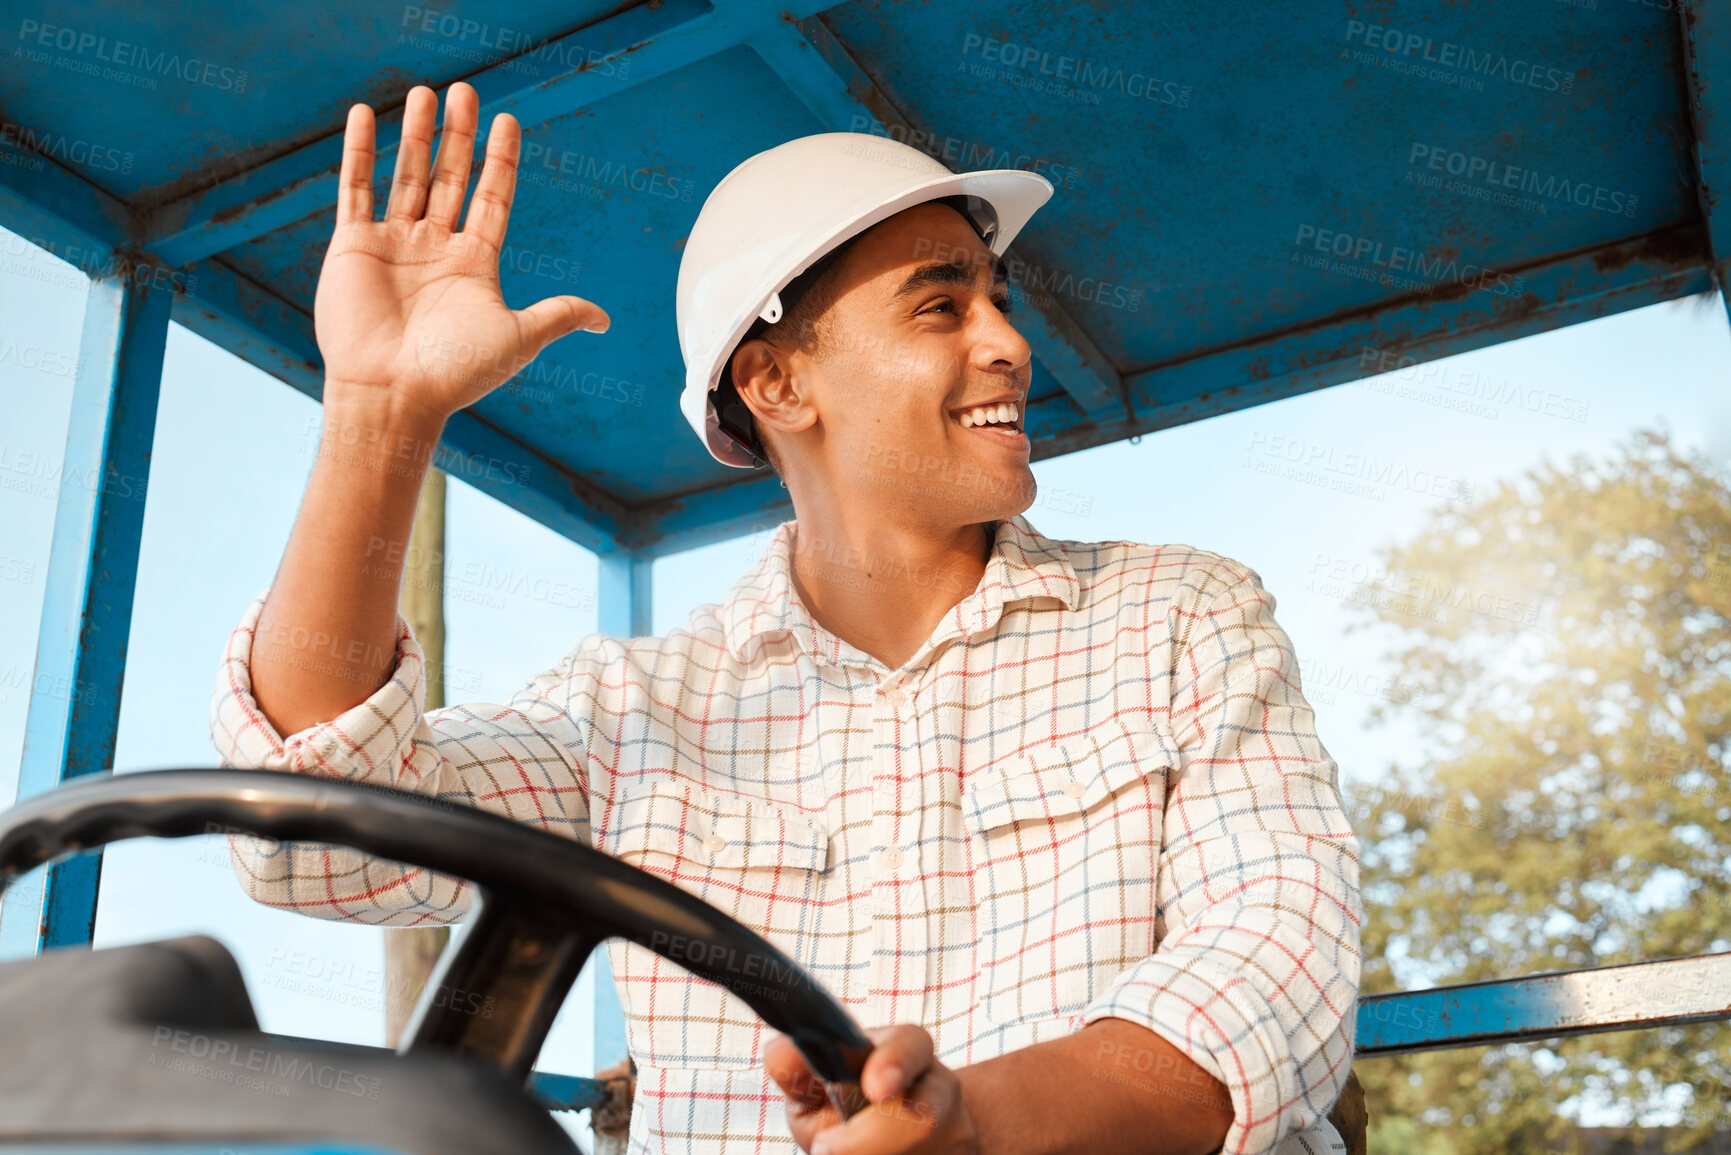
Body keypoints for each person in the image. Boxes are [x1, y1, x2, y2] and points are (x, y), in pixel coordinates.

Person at [211, 80, 1363, 1155]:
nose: (1009, 342)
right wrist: (379, 412)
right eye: (940, 305)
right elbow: (310, 838)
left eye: (998, 301)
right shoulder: (630, 714)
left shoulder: (1177, 617)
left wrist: (973, 1129)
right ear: (776, 385)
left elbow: (1272, 968)